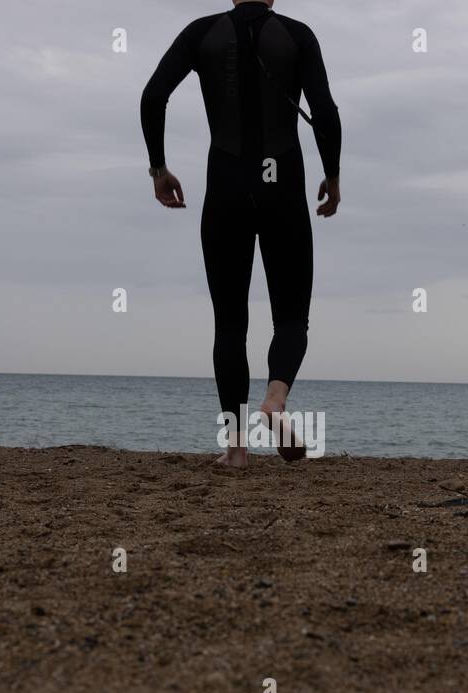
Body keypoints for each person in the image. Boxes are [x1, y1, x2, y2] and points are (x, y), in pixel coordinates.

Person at [141, 0, 341, 466]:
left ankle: (236, 449)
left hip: (226, 186)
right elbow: (325, 111)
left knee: (230, 323)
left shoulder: (202, 33)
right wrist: (332, 177)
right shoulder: (297, 36)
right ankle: (274, 402)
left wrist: (158, 169)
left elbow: (153, 96)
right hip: (282, 184)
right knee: (291, 318)